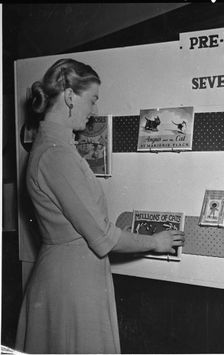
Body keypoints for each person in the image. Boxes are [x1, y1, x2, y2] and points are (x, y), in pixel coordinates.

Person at [15, 58, 185, 354]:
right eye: (92, 100)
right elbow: (103, 237)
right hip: (72, 283)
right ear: (70, 96)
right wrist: (155, 242)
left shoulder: (56, 148)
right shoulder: (57, 156)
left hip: (73, 274)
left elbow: (84, 224)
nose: (94, 111)